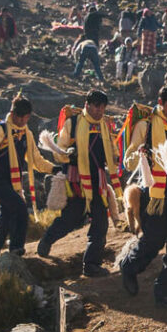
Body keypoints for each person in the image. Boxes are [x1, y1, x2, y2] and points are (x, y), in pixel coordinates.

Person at [120, 86, 167, 307]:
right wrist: (139, 153)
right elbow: (128, 160)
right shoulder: (146, 125)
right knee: (154, 240)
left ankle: (164, 290)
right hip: (152, 193)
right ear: (161, 102)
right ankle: (129, 266)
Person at [37, 92, 122, 275]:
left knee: (100, 222)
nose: (100, 110)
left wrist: (115, 157)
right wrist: (68, 153)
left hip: (97, 180)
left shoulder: (104, 125)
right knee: (71, 218)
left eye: (102, 107)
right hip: (77, 180)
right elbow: (58, 152)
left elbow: (111, 148)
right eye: (96, 106)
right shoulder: (73, 123)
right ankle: (47, 239)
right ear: (87, 105)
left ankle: (91, 265)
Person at [0, 95, 55, 260]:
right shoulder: (0, 130)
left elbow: (35, 159)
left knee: (6, 218)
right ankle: (16, 248)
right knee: (20, 209)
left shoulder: (26, 133)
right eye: (24, 117)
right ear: (16, 115)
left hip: (14, 182)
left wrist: (53, 168)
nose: (26, 120)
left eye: (27, 118)